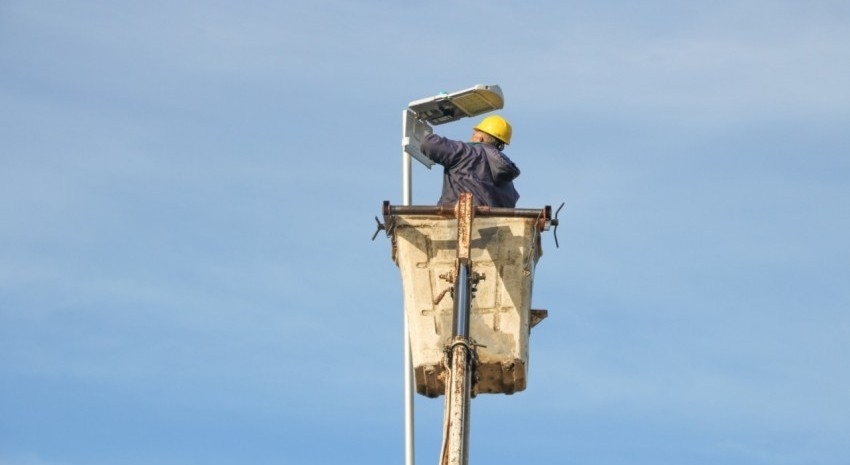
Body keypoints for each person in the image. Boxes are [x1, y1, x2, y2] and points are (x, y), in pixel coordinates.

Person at [420, 115, 520, 208]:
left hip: (457, 223)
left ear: (480, 138)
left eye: (474, 134)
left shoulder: (467, 152)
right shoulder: (509, 186)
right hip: (494, 226)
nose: (471, 136)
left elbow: (428, 143)